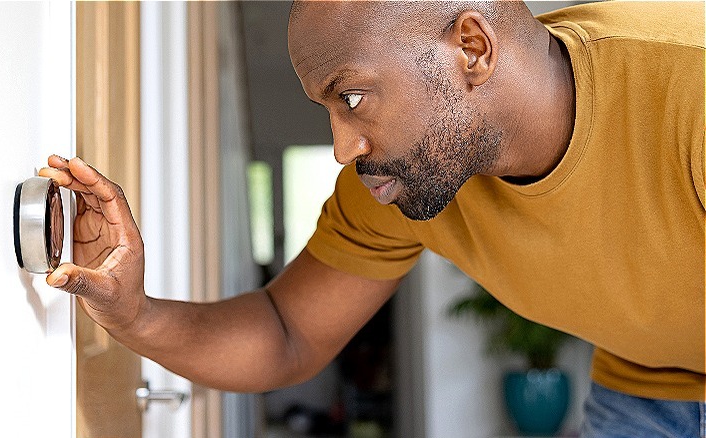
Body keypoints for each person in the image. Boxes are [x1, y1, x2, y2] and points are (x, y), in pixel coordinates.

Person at [39, 0, 705, 435]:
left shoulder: (688, 92)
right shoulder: (393, 176)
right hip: (650, 389)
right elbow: (287, 332)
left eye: (351, 96)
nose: (343, 147)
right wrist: (132, 313)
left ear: (471, 48)